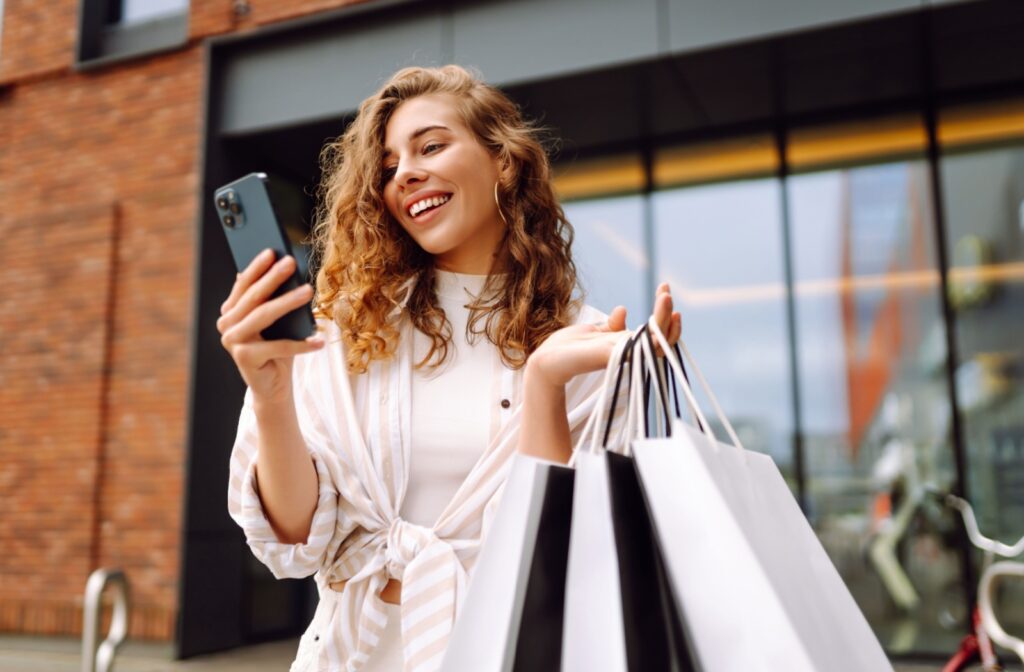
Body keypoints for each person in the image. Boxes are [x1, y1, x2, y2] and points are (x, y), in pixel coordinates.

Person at [219, 65, 681, 672]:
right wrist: (271, 396)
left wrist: (544, 384)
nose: (406, 173)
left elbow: (568, 554)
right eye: (387, 168)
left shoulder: (584, 342)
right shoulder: (346, 332)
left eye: (431, 145)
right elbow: (294, 540)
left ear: (503, 161)